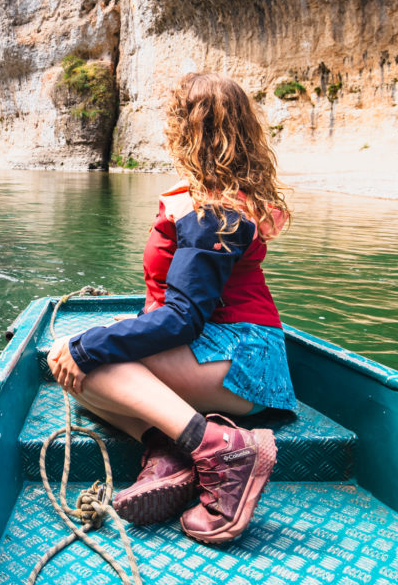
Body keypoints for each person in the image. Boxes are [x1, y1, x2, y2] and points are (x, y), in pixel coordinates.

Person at [47, 71, 297, 544]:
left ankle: (223, 449)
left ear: (185, 129)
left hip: (244, 365)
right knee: (76, 366)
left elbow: (183, 319)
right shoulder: (227, 198)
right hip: (238, 353)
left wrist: (86, 344)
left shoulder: (210, 211)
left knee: (84, 361)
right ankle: (166, 446)